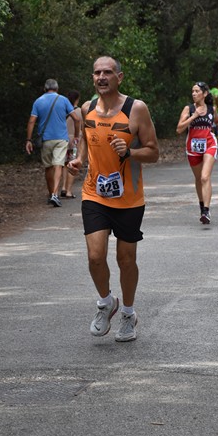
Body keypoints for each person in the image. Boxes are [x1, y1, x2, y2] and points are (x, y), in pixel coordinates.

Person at [67, 56, 159, 342]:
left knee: (125, 259)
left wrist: (130, 152)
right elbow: (86, 137)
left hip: (129, 197)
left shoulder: (136, 109)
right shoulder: (87, 108)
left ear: (120, 77)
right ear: (92, 77)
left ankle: (128, 313)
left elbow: (154, 152)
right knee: (95, 257)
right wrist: (80, 159)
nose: (102, 77)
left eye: (108, 72)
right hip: (94, 193)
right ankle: (107, 302)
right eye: (97, 73)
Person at [176, 81, 218, 224]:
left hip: (209, 144)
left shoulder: (211, 109)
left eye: (197, 91)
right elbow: (179, 129)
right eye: (192, 91)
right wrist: (193, 117)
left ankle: (206, 210)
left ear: (204, 94)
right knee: (199, 179)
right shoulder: (189, 109)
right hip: (193, 147)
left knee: (205, 177)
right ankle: (201, 205)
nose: (194, 94)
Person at [26, 79, 80, 207]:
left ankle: (52, 194)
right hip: (61, 138)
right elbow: (76, 119)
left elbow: (31, 121)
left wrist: (28, 140)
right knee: (58, 165)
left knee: (48, 167)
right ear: (57, 88)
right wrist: (77, 136)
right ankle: (55, 194)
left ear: (45, 89)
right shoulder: (63, 100)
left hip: (46, 139)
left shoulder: (38, 101)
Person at [60, 90, 82, 199]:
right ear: (78, 98)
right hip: (75, 140)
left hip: (63, 139)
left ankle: (63, 187)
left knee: (65, 164)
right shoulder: (80, 112)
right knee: (72, 163)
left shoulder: (64, 111)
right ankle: (68, 191)